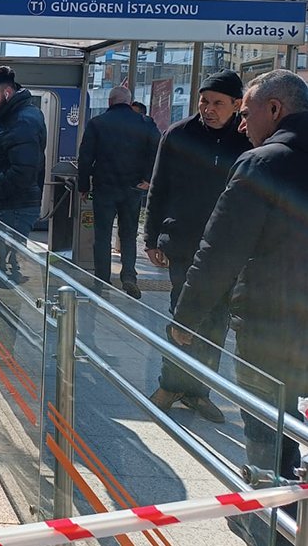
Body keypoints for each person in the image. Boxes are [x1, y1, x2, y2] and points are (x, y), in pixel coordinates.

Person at [169, 70, 308, 545]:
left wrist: (186, 318)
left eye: (247, 113)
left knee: (268, 425)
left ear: (275, 109)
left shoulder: (263, 163)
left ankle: (269, 523)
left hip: (272, 322)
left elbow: (221, 250)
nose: (242, 124)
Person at [145, 70, 251, 423]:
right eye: (204, 101)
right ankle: (170, 384)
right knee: (183, 315)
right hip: (185, 243)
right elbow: (158, 187)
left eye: (218, 103)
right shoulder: (178, 135)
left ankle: (198, 391)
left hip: (230, 250)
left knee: (217, 323)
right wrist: (151, 238)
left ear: (237, 105)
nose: (208, 108)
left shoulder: (247, 141)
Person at [77, 86, 160, 299]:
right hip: (133, 188)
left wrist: (84, 186)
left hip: (104, 187)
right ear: (129, 101)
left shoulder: (97, 123)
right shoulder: (145, 123)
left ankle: (101, 279)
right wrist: (148, 178)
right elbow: (157, 151)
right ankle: (129, 277)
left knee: (102, 235)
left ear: (110, 102)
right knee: (129, 233)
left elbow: (85, 157)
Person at [0, 67, 46, 284]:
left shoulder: (22, 120)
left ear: (7, 93)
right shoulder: (9, 117)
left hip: (11, 208)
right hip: (3, 206)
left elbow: (22, 171)